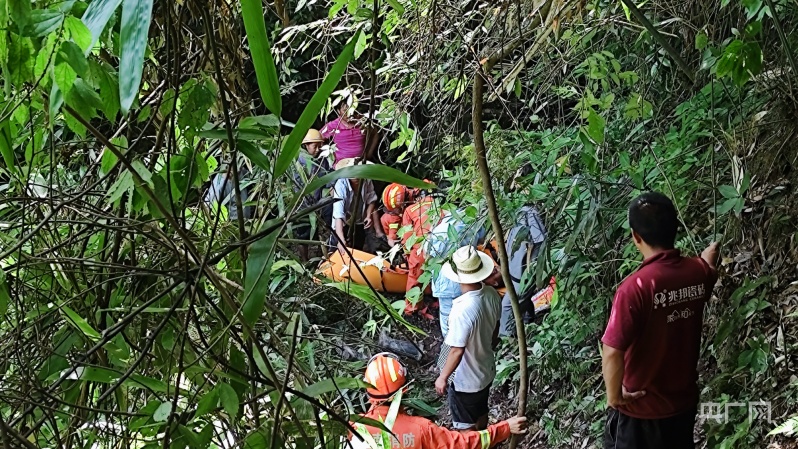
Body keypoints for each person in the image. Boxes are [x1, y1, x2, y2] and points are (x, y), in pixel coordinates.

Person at [601, 192, 719, 449]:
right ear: (675, 229)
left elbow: (612, 351)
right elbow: (709, 272)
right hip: (682, 407)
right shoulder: (697, 272)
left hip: (640, 412)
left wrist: (614, 397)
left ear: (636, 237)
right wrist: (709, 258)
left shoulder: (634, 289)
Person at [350, 353, 528, 449]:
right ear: (405, 391)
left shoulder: (352, 427)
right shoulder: (421, 430)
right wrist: (504, 428)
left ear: (368, 394)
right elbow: (461, 444)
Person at [435, 246, 503, 431]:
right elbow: (495, 330)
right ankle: (485, 440)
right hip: (486, 369)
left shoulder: (462, 310)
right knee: (481, 411)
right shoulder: (491, 294)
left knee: (465, 426)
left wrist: (443, 377)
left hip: (466, 380)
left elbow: (457, 350)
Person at [424, 211, 486, 337]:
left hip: (447, 283)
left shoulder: (440, 231)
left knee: (449, 323)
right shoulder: (473, 221)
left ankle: (449, 352)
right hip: (470, 277)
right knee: (470, 316)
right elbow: (482, 239)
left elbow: (427, 256)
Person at [498, 205, 547, 336]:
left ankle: (506, 337)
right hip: (516, 273)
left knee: (507, 306)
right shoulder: (518, 212)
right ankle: (528, 321)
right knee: (524, 299)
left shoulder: (528, 213)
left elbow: (539, 239)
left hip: (524, 275)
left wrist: (534, 271)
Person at [330, 158, 385, 255]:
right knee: (337, 251)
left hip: (359, 219)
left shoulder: (366, 180)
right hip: (344, 222)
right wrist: (341, 240)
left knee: (357, 249)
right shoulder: (341, 185)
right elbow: (338, 214)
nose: (355, 176)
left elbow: (371, 200)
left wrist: (368, 215)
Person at [293, 129, 333, 262]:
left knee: (315, 231)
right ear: (306, 145)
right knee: (302, 234)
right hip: (301, 206)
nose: (318, 149)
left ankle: (316, 259)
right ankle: (304, 261)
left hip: (315, 204)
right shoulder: (299, 162)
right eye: (315, 146)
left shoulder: (322, 160)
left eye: (319, 146)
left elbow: (327, 179)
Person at [401, 189, 441, 317]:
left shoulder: (409, 210)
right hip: (440, 246)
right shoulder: (437, 204)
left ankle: (411, 310)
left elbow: (407, 239)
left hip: (421, 250)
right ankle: (439, 301)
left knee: (415, 279)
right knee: (441, 275)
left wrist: (408, 259)